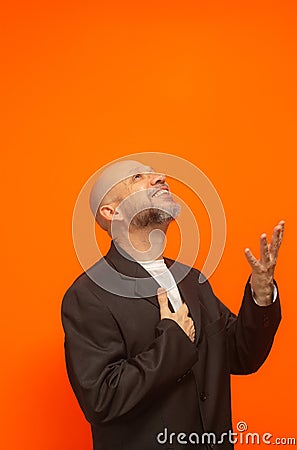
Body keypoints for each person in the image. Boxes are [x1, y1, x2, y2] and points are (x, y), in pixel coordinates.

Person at [61, 159, 284, 450]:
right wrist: (173, 339)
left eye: (157, 174)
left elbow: (240, 356)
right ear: (111, 211)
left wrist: (261, 295)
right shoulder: (88, 295)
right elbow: (103, 399)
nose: (161, 178)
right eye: (139, 177)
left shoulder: (192, 280)